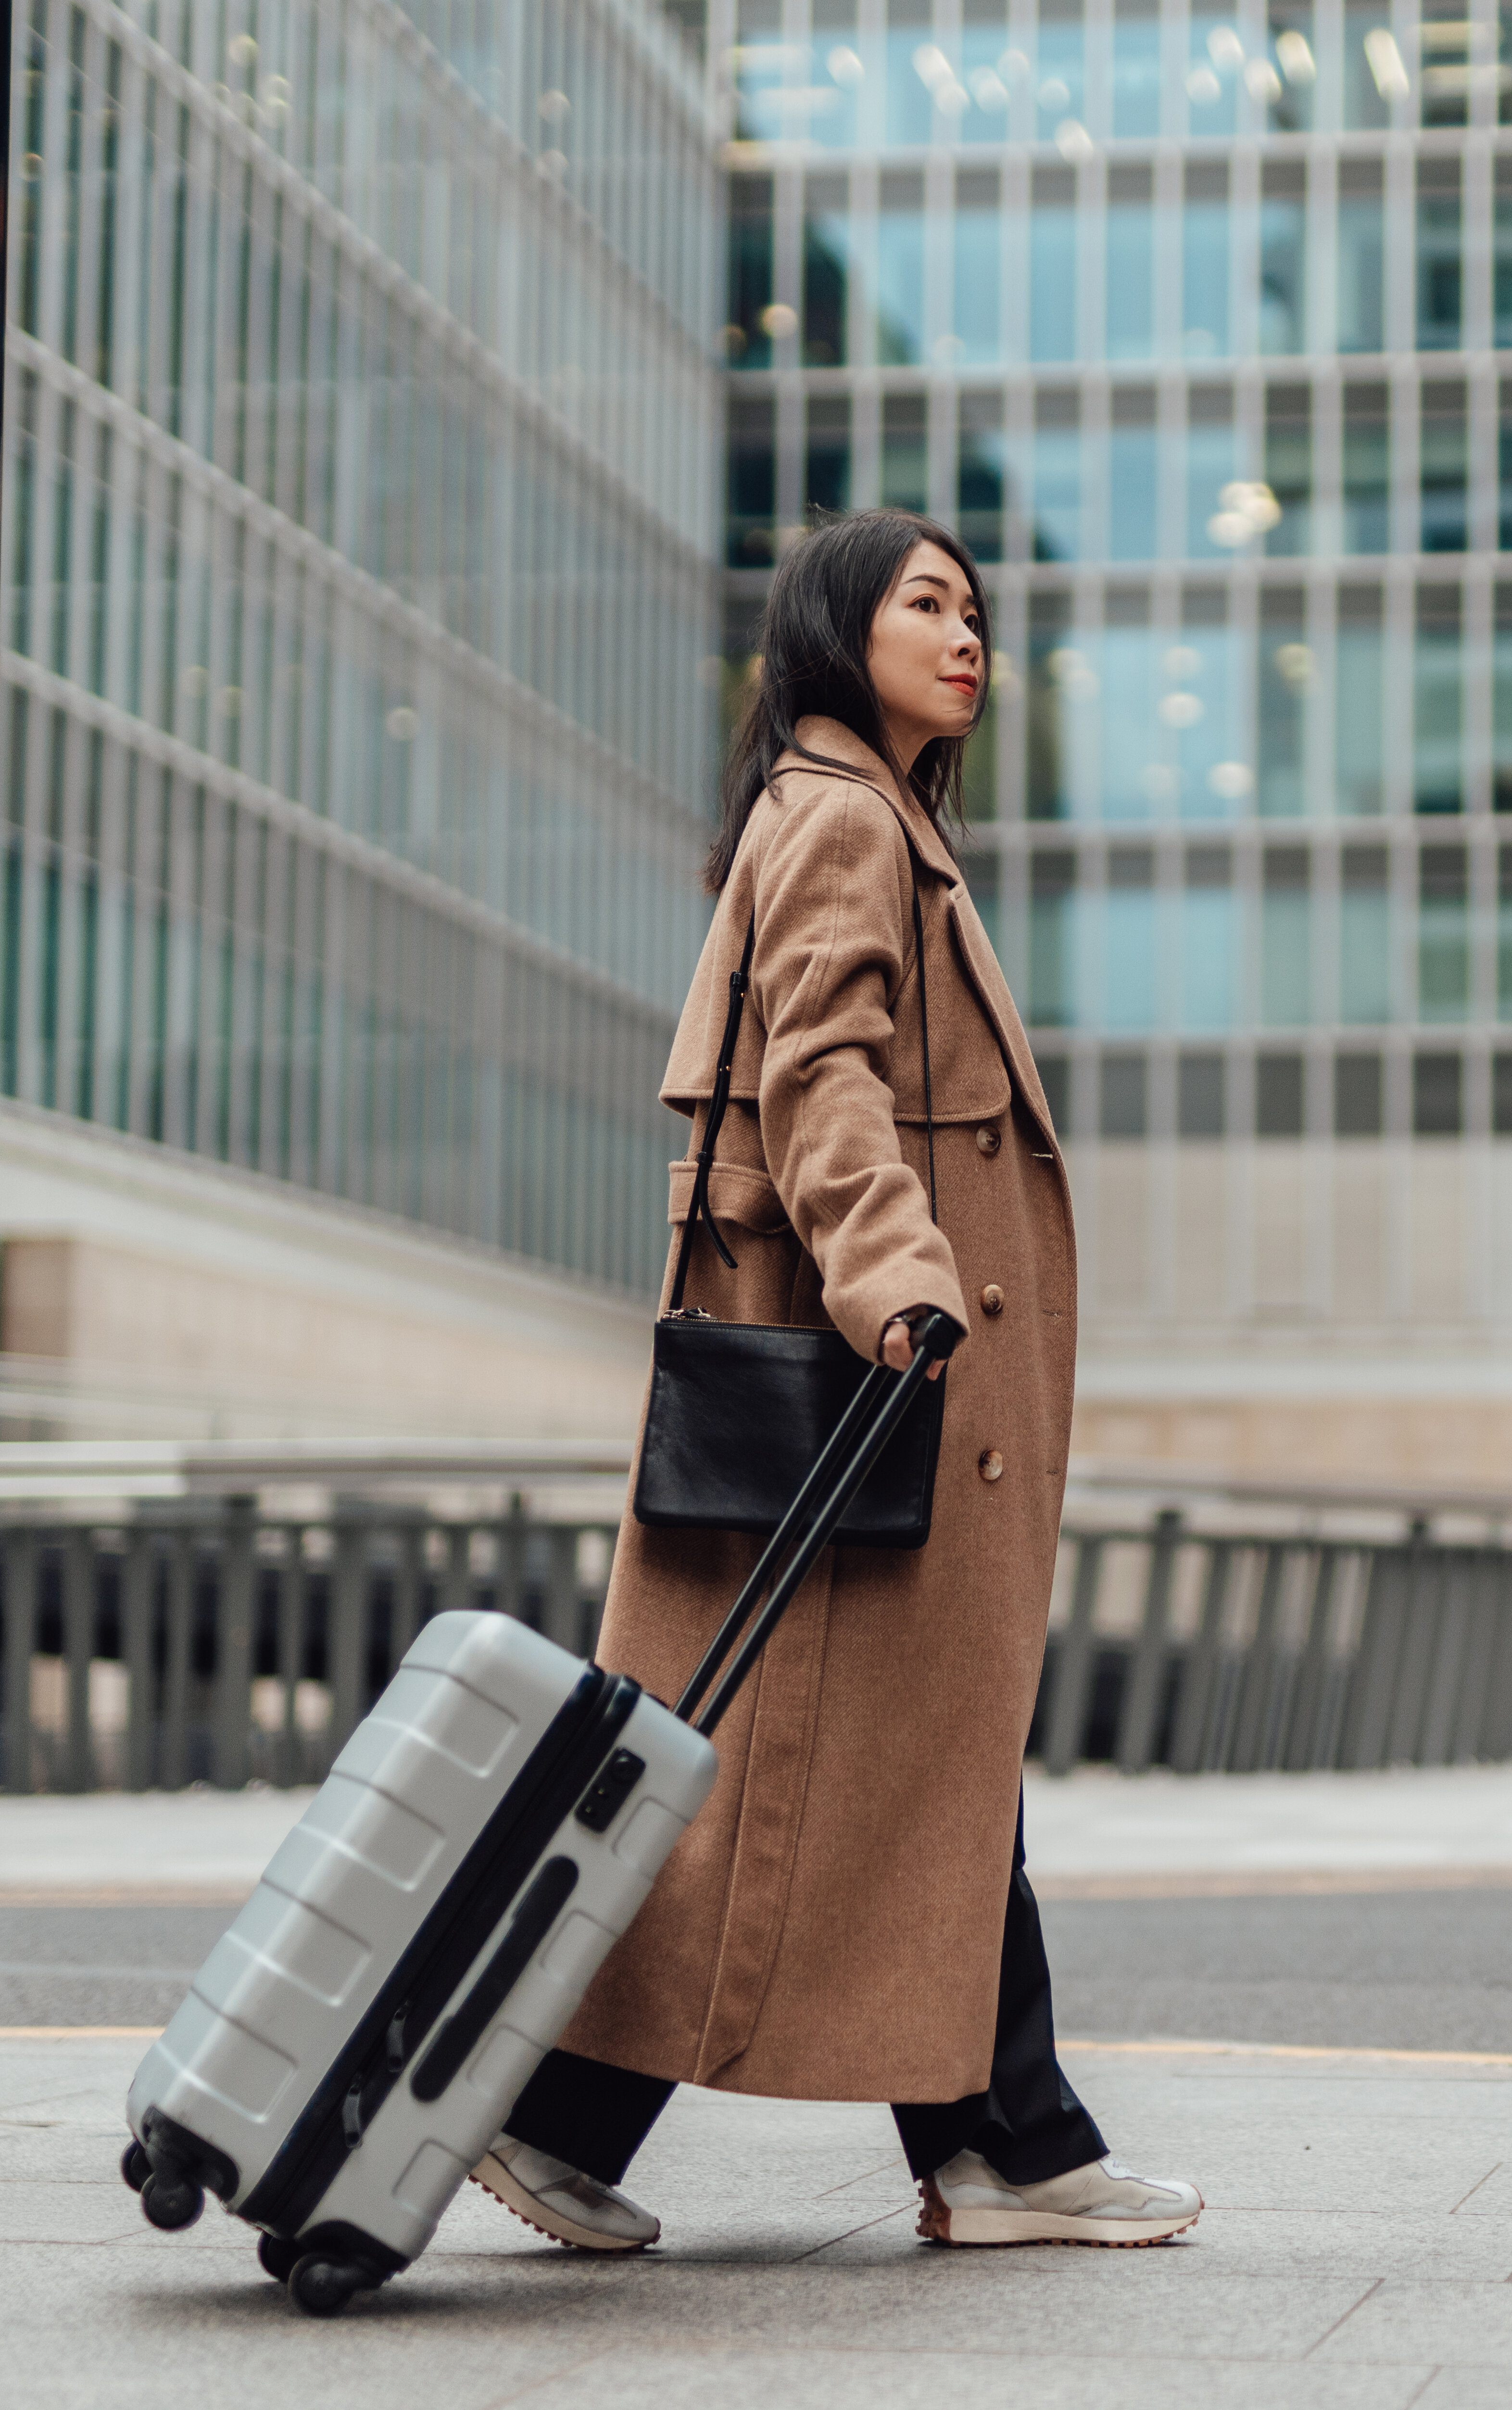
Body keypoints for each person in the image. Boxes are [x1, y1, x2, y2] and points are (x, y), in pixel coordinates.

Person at [486, 510, 1200, 2256]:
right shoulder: (841, 826)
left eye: (977, 609)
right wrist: (899, 1286)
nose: (967, 636)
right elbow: (820, 1082)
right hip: (867, 1398)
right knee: (845, 1775)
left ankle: (603, 2113)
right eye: (926, 604)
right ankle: (996, 2145)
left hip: (851, 1409)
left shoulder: (860, 819)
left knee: (844, 1779)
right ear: (832, 628)